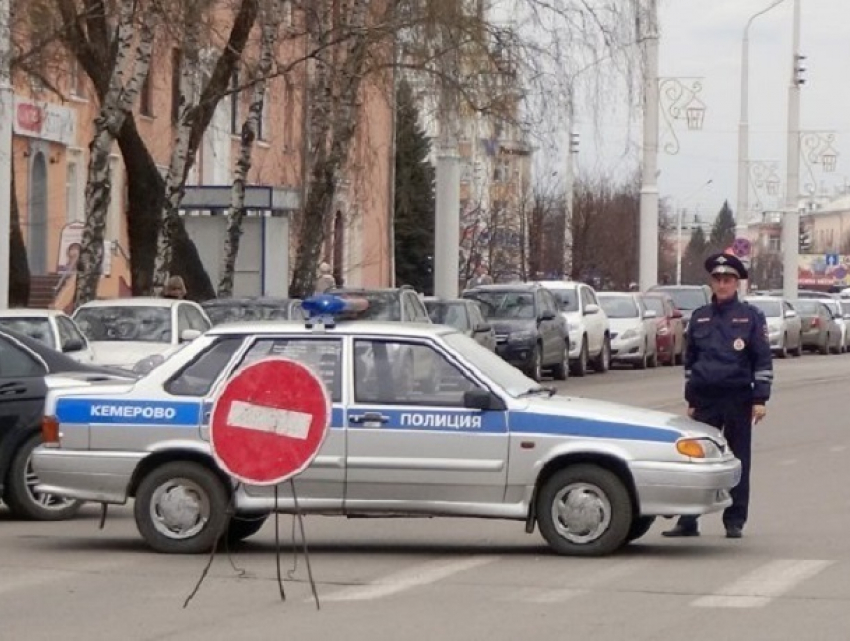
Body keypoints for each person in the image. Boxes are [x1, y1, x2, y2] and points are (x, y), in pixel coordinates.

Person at [663, 252, 772, 540]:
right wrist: (691, 400)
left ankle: (734, 520)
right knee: (696, 461)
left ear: (737, 283)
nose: (722, 284)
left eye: (728, 280)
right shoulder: (699, 318)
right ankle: (688, 520)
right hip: (705, 401)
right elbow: (691, 363)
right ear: (711, 283)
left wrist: (760, 399)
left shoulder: (750, 318)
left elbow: (761, 361)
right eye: (717, 279)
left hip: (738, 399)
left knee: (737, 460)